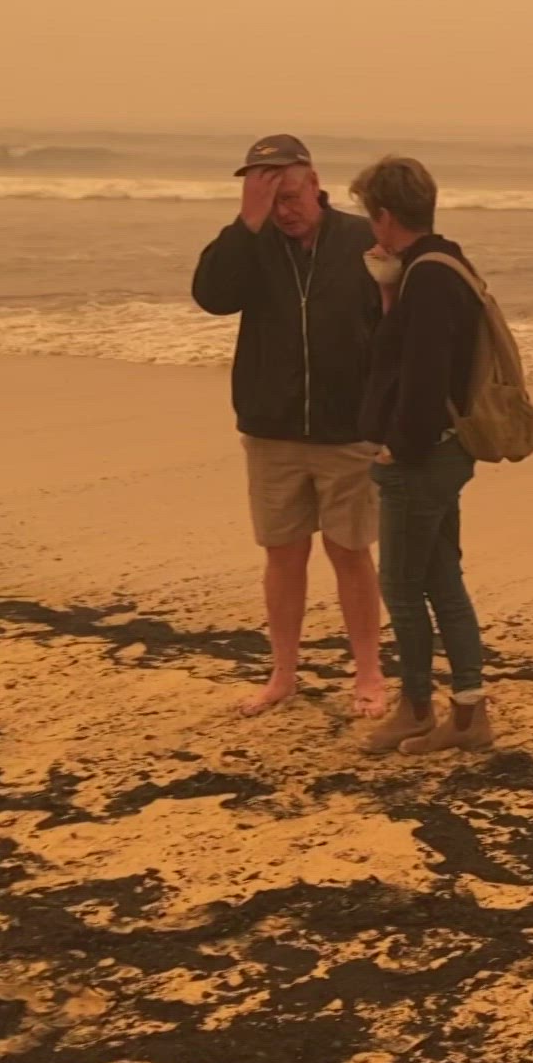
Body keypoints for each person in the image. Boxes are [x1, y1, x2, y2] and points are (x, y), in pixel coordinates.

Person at [191, 135, 388, 719]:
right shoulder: (249, 244)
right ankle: (282, 674)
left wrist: (389, 416)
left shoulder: (362, 239)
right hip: (271, 427)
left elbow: (395, 326)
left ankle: (369, 674)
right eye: (270, 199)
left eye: (291, 196)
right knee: (283, 554)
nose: (284, 210)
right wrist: (245, 223)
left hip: (349, 429)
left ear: (315, 183)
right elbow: (211, 296)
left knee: (350, 552)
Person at [350, 156, 494, 755]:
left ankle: (415, 709)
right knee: (441, 580)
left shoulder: (430, 278)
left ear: (385, 216)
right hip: (444, 452)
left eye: (371, 216)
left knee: (404, 587)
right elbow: (407, 353)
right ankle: (467, 714)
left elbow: (423, 377)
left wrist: (396, 450)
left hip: (422, 457)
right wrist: (388, 288)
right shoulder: (439, 263)